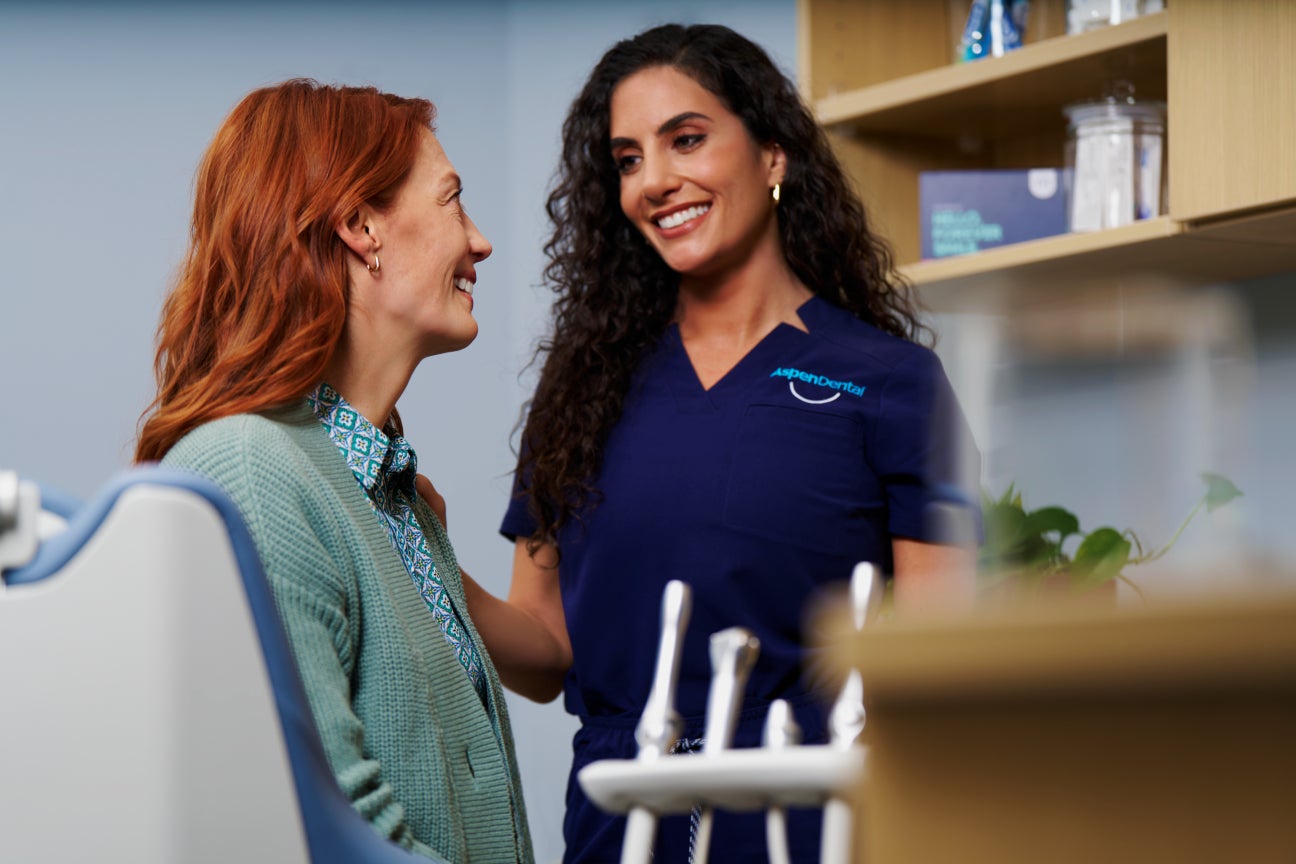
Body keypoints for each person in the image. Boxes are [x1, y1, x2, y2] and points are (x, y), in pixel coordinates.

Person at [468, 22, 979, 863]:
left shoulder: (892, 383)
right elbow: (545, 645)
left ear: (773, 154)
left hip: (812, 812)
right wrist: (416, 555)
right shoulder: (584, 388)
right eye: (628, 160)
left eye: (688, 140)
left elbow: (939, 663)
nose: (656, 181)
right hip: (619, 819)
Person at [134, 79, 533, 863]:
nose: (479, 241)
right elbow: (323, 819)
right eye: (453, 202)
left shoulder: (392, 492)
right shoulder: (248, 471)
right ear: (359, 226)